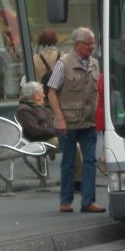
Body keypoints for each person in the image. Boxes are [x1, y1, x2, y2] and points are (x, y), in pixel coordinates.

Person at [47, 27, 105, 213]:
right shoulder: (63, 64)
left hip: (89, 121)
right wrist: (59, 119)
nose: (92, 46)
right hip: (68, 122)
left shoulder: (95, 64)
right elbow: (52, 93)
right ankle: (66, 201)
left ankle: (88, 201)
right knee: (69, 162)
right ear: (77, 44)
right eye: (88, 44)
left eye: (93, 43)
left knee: (90, 161)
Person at [16, 80, 57, 149]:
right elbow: (34, 131)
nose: (44, 96)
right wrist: (56, 132)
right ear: (36, 95)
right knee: (71, 143)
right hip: (41, 141)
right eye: (42, 93)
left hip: (52, 136)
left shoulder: (42, 107)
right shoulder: (24, 110)